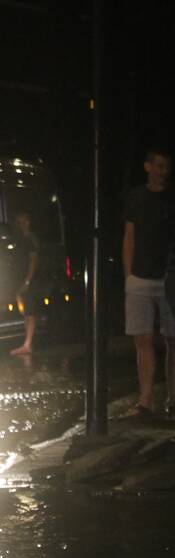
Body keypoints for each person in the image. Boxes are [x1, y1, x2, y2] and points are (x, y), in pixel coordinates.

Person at [122, 147, 175, 418]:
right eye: (158, 165)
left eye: (166, 166)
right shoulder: (136, 197)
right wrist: (128, 273)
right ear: (148, 167)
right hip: (140, 277)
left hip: (168, 277)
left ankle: (173, 398)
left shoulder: (171, 197)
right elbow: (129, 235)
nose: (162, 171)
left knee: (172, 339)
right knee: (142, 339)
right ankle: (145, 401)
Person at [10, 212, 40, 356]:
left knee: (30, 312)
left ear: (27, 222)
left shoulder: (30, 239)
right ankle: (27, 343)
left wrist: (28, 281)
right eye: (18, 221)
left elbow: (33, 261)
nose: (19, 224)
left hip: (29, 281)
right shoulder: (21, 239)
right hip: (21, 279)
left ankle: (28, 344)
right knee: (25, 312)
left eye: (22, 221)